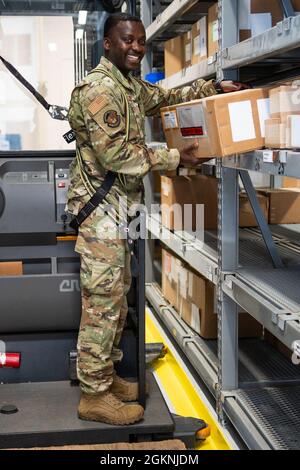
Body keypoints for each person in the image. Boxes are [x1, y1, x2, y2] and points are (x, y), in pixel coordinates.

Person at [67, 12, 248, 426]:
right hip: (102, 214)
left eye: (141, 41)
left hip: (117, 211)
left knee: (115, 298)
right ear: (108, 44)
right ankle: (93, 396)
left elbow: (162, 97)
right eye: (127, 40)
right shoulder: (99, 91)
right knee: (102, 304)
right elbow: (117, 156)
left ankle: (106, 379)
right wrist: (174, 157)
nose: (135, 47)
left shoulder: (128, 86)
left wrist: (210, 87)